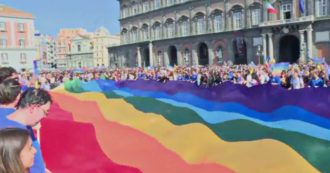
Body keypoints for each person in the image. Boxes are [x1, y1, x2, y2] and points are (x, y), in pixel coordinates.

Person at [0, 88, 52, 173]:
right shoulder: (11, 132)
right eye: (45, 112)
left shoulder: (24, 125)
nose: (44, 117)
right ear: (33, 108)